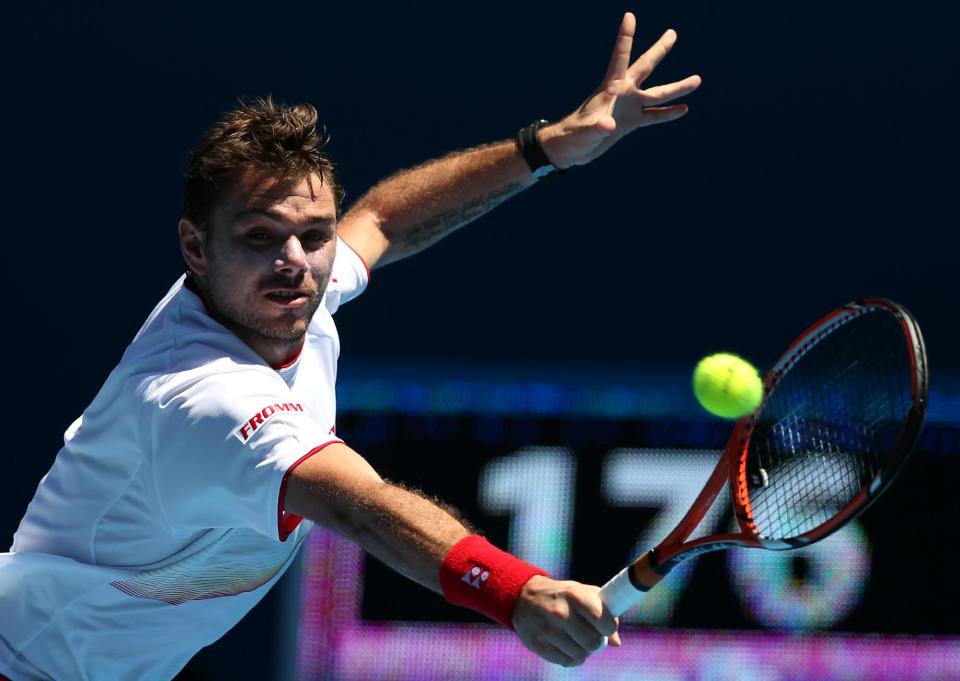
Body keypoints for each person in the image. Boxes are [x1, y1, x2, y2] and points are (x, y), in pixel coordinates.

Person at [0, 12, 699, 680]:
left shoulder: (289, 293)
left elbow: (386, 217)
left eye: (313, 234)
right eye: (260, 237)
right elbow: (360, 506)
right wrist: (515, 591)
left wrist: (545, 148)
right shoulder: (203, 395)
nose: (296, 261)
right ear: (195, 247)